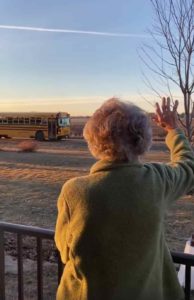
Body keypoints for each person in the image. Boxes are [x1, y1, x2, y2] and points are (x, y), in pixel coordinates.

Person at [55, 97, 194, 300]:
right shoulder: (157, 181)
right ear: (142, 140)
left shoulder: (75, 191)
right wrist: (172, 130)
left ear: (93, 139)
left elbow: (65, 250)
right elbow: (188, 167)